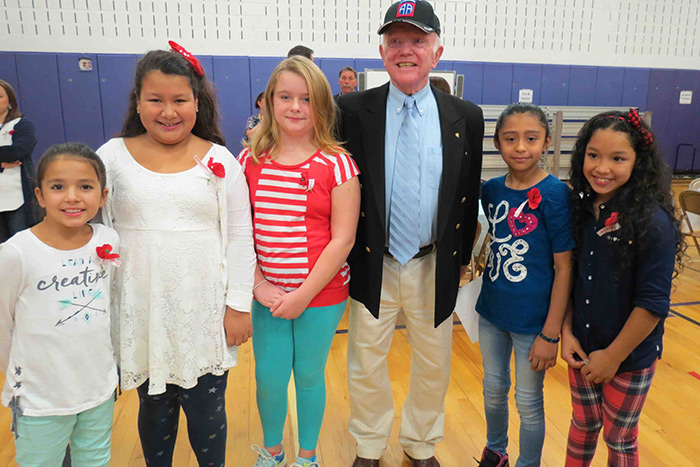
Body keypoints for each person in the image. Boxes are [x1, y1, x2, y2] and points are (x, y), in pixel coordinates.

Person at [336, 2, 484, 466]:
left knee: (435, 362)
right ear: (382, 53)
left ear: (436, 52)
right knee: (365, 362)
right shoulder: (349, 110)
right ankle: (369, 444)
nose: (406, 50)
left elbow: (467, 189)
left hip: (432, 261)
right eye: (395, 41)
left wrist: (460, 262)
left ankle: (420, 446)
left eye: (417, 41)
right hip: (372, 259)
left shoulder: (467, 116)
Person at [96, 41, 256, 466]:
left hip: (202, 313)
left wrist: (238, 305)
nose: (168, 111)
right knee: (153, 408)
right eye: (156, 100)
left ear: (197, 103)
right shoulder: (111, 157)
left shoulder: (219, 159)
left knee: (208, 410)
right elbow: (93, 233)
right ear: (138, 101)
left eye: (179, 100)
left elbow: (241, 236)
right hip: (141, 310)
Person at [240, 56, 360, 467]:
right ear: (268, 102)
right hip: (267, 293)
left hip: (321, 296)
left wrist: (303, 295)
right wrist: (260, 285)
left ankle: (307, 457)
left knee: (308, 377)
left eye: (306, 99)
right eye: (285, 97)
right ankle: (272, 452)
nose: (295, 107)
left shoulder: (337, 163)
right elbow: (241, 234)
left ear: (321, 106)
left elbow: (342, 240)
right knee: (269, 379)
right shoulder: (249, 162)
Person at [561, 109, 683, 466]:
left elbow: (652, 304)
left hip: (628, 357)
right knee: (582, 426)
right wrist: (568, 333)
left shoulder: (652, 221)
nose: (602, 168)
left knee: (619, 438)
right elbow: (572, 279)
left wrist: (613, 356)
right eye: (594, 155)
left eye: (618, 158)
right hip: (582, 349)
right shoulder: (581, 209)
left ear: (637, 163)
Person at [0, 142, 118, 466]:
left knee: (94, 460)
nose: (72, 197)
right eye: (57, 187)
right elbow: (3, 326)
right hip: (40, 400)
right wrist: (25, 375)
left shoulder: (108, 240)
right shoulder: (16, 252)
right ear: (39, 196)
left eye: (85, 186)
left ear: (103, 196)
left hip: (97, 389)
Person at [475, 103, 574, 467]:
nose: (520, 147)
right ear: (498, 144)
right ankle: (495, 450)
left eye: (531, 139)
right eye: (510, 139)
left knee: (529, 403)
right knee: (493, 389)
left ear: (546, 142)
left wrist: (551, 334)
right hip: (491, 312)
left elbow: (564, 268)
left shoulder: (555, 195)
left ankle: (528, 463)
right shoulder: (492, 190)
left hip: (534, 323)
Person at [0, 79, 39, 244]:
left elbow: (17, 152)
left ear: (10, 101)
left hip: (18, 199)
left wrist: (6, 158)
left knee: (22, 244)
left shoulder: (23, 125)